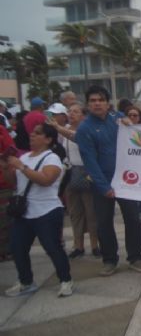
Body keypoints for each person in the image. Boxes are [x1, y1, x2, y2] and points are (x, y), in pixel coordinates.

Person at [76, 85, 141, 276]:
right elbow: (89, 161)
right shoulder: (84, 129)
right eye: (92, 100)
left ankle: (135, 257)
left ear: (108, 103)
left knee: (133, 219)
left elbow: (137, 139)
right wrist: (104, 187)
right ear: (88, 104)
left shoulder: (117, 120)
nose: (97, 103)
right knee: (104, 222)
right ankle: (109, 259)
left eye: (100, 100)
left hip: (126, 182)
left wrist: (128, 123)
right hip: (102, 184)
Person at [2, 123, 73, 297]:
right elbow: (14, 181)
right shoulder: (25, 157)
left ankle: (65, 280)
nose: (32, 136)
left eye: (37, 133)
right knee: (18, 247)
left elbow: (46, 180)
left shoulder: (52, 158)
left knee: (52, 247)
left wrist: (22, 167)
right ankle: (26, 281)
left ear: (48, 139)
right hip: (25, 212)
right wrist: (6, 168)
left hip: (46, 211)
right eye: (32, 133)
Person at [52, 103, 100, 259]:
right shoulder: (63, 130)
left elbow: (78, 139)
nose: (71, 114)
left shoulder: (86, 130)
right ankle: (78, 244)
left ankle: (94, 244)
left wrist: (60, 129)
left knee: (91, 211)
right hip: (71, 172)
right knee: (75, 211)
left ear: (83, 115)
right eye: (69, 111)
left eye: (75, 112)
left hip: (86, 173)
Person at [0, 124, 16, 262]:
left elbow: (11, 150)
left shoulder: (1, 130)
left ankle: (7, 250)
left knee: (5, 220)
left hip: (3, 184)